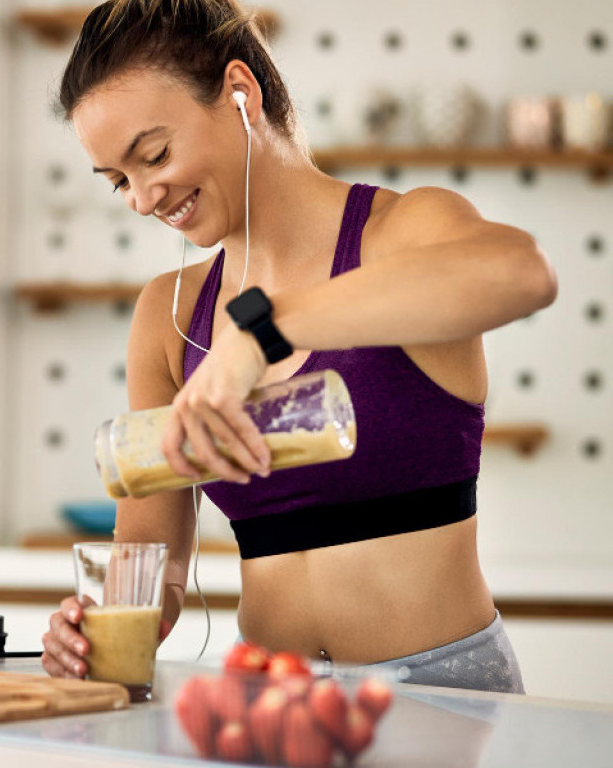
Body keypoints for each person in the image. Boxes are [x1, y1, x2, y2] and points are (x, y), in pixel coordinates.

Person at [41, 0, 557, 694]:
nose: (141, 198)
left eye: (154, 155)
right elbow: (154, 562)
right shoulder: (172, 316)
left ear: (240, 91)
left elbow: (523, 273)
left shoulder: (398, 234)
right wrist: (101, 626)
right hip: (268, 697)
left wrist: (265, 332)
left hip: (444, 693)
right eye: (118, 181)